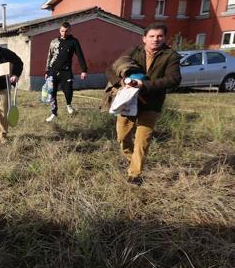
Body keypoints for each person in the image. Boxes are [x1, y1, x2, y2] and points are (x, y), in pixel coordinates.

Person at [106, 22, 181, 185]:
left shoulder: (171, 56)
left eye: (159, 36)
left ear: (164, 38)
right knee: (122, 137)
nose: (156, 39)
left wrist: (144, 85)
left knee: (142, 139)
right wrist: (122, 81)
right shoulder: (133, 51)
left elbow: (174, 79)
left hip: (151, 103)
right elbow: (111, 69)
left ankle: (135, 174)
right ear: (144, 38)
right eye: (152, 36)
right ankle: (131, 159)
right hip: (128, 101)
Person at [44, 21, 88, 122]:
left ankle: (68, 105)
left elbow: (80, 55)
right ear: (59, 30)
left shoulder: (74, 41)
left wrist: (84, 70)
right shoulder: (54, 41)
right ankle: (53, 113)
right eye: (62, 31)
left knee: (68, 90)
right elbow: (49, 56)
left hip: (66, 71)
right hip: (53, 71)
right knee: (52, 93)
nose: (64, 33)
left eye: (66, 31)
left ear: (70, 30)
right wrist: (47, 71)